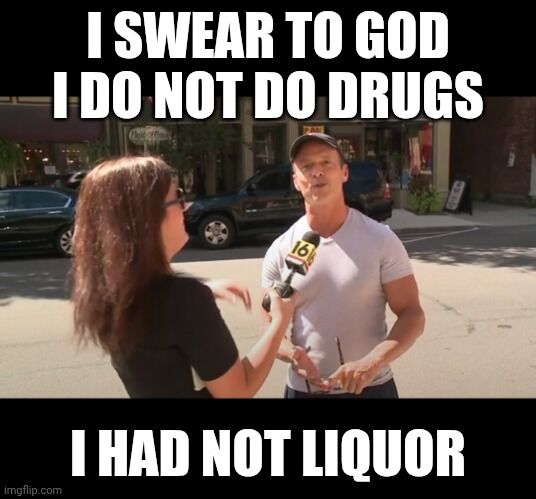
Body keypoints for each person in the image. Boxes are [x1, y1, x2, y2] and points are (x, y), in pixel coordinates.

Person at [72, 156, 294, 398]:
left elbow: (160, 317)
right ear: (148, 218)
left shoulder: (110, 291)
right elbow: (237, 392)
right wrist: (279, 321)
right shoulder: (183, 300)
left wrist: (204, 291)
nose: (185, 207)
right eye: (177, 198)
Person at [261, 133, 425, 398]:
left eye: (326, 162)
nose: (317, 172)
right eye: (306, 166)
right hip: (304, 391)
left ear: (344, 173)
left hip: (372, 387)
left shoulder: (380, 239)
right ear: (295, 181)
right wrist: (292, 355)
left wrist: (372, 363)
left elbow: (412, 314)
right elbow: (269, 328)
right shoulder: (281, 249)